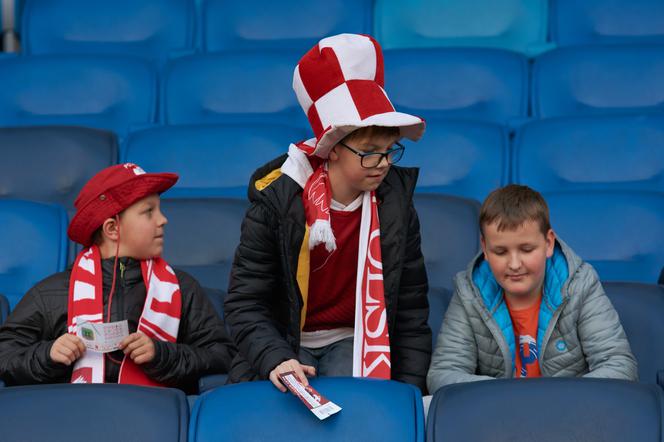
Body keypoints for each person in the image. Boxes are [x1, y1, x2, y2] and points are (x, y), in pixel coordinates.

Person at [224, 33, 431, 393]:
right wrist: (274, 357)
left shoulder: (396, 203)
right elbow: (246, 303)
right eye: (369, 151)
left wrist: (411, 394)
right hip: (284, 342)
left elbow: (411, 310)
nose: (382, 164)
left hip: (359, 341)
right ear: (332, 148)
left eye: (389, 150)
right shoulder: (277, 200)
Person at [0, 163, 235, 393]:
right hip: (69, 420)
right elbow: (5, 355)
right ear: (112, 229)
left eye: (159, 210)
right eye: (148, 212)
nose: (163, 220)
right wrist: (48, 354)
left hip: (154, 421)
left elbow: (221, 355)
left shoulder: (181, 287)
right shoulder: (51, 293)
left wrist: (162, 355)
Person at [427, 184, 637, 393]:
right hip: (497, 416)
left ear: (548, 243)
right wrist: (510, 396)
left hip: (570, 415)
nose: (515, 264)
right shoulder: (469, 291)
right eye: (500, 252)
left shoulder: (579, 284)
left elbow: (620, 367)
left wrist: (548, 400)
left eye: (526, 249)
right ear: (484, 248)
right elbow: (443, 374)